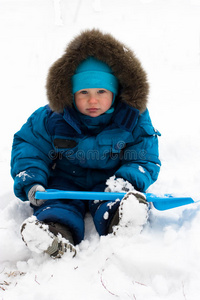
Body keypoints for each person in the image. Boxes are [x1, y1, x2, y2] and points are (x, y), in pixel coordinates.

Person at [11, 29, 161, 258]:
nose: (93, 100)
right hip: (65, 179)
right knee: (58, 204)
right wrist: (32, 181)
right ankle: (54, 236)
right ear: (70, 94)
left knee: (113, 200)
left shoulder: (132, 119)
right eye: (83, 92)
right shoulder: (53, 117)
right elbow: (30, 147)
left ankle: (123, 221)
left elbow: (143, 157)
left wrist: (126, 181)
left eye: (101, 91)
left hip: (110, 180)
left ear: (115, 92)